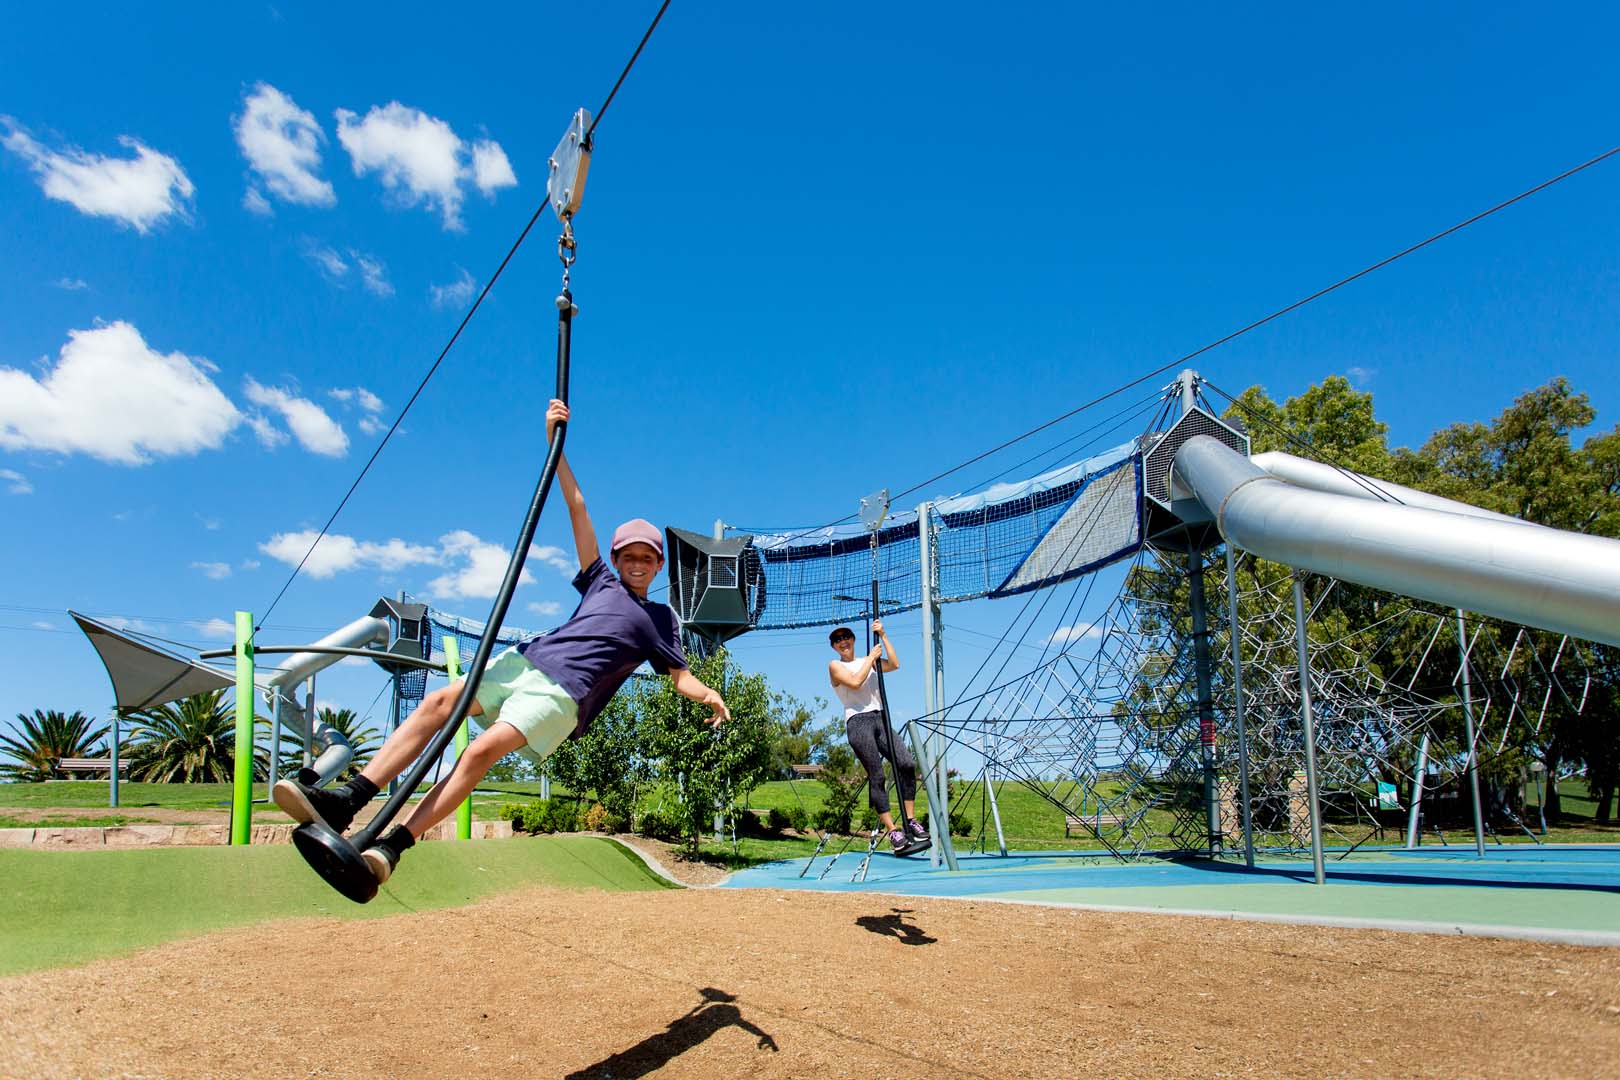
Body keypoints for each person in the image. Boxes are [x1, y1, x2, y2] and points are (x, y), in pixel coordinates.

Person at [273, 399, 731, 884]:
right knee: (438, 703)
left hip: (562, 697)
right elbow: (577, 507)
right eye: (629, 556)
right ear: (617, 560)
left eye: (647, 558)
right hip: (525, 663)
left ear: (658, 565)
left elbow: (680, 676)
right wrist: (557, 446)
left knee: (479, 751)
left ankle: (393, 846)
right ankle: (348, 799)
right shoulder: (601, 581)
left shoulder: (660, 619)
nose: (638, 565)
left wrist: (709, 694)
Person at [827, 621, 928, 855]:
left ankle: (910, 821)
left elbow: (895, 664)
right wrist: (871, 658)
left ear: (853, 639)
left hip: (880, 718)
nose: (843, 641)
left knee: (906, 763)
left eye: (846, 636)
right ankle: (892, 831)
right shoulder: (835, 665)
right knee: (878, 775)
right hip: (858, 721)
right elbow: (855, 682)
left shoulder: (869, 660)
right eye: (837, 640)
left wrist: (883, 635)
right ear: (833, 646)